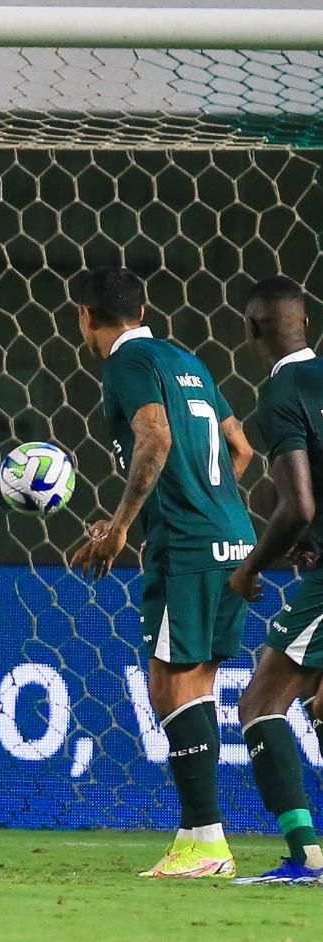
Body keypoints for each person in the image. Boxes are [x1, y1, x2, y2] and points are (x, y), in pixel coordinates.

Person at [69, 265, 256, 879]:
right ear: (142, 308)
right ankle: (201, 840)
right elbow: (240, 449)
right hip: (233, 535)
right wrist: (204, 502)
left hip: (186, 546)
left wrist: (122, 525)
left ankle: (204, 842)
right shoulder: (185, 358)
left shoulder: (124, 363)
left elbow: (154, 438)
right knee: (194, 681)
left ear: (86, 317)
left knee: (170, 684)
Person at [223, 277, 323, 885]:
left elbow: (298, 506)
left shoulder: (282, 392)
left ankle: (305, 856)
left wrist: (249, 567)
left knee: (261, 704)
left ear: (253, 329)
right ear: (306, 322)